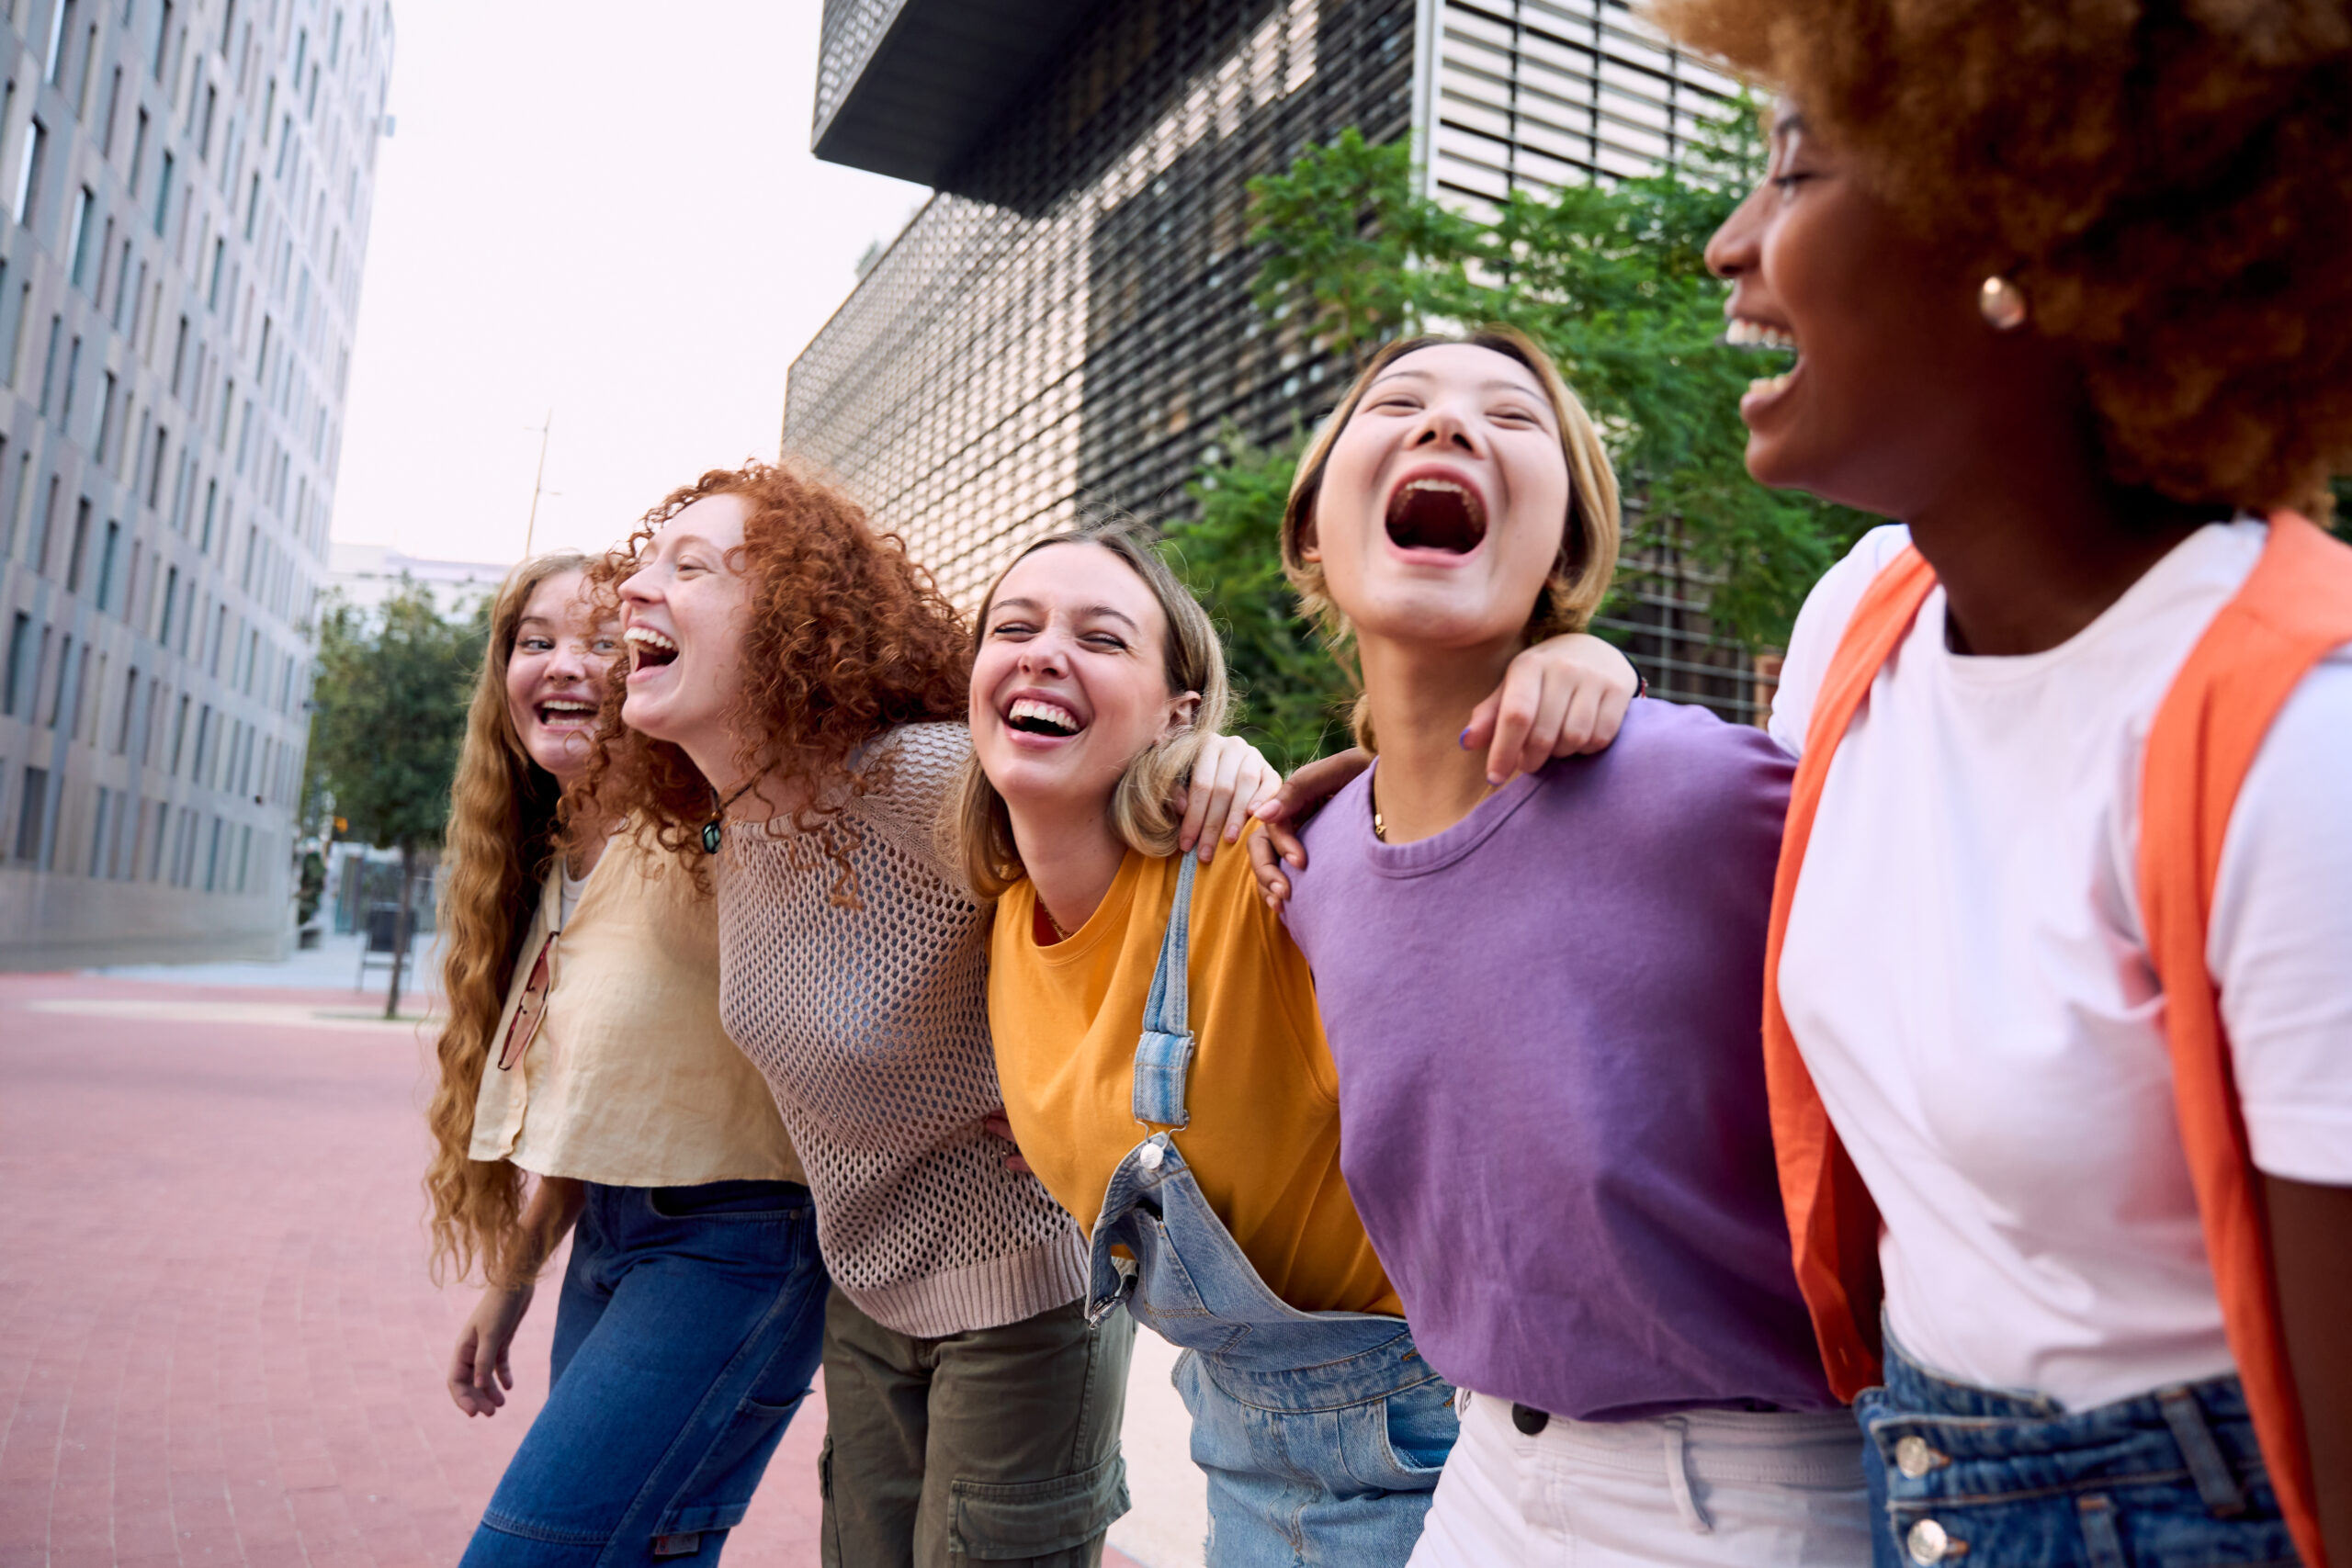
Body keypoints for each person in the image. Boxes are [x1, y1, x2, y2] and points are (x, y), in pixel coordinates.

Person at [1646, 4, 2352, 1565]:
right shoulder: (1859, 624)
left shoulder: (2304, 746)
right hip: (1921, 1475)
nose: (1728, 246)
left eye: (1797, 172)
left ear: (2019, 235)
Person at [578, 462, 1300, 1568]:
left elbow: (1104, 806)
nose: (633, 591)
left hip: (1024, 1292)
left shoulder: (922, 780)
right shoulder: (732, 832)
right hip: (867, 1294)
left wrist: (1210, 762)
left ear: (789, 621)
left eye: (692, 568)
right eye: (647, 564)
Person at [1273, 328, 1868, 1565]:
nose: (1448, 424)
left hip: (1739, 1492)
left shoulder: (1701, 789)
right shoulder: (1308, 853)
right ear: (1311, 536)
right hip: (1482, 1472)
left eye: (1512, 414)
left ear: (1566, 553)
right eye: (1400, 401)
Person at [957, 522, 1640, 1565]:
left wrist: (1576, 666)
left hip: (1419, 1444)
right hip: (1236, 1441)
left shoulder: (1260, 859)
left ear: (1176, 711)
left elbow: (1452, 840)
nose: (1045, 651)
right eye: (1015, 627)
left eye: (1100, 639)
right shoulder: (1004, 920)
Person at [426, 553, 824, 1567]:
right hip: (611, 1239)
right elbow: (606, 1107)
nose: (566, 665)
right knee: (648, 1553)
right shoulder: (548, 862)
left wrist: (1192, 760)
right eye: (535, 640)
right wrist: (514, 1281)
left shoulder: (721, 826)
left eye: (605, 641)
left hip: (734, 1244)